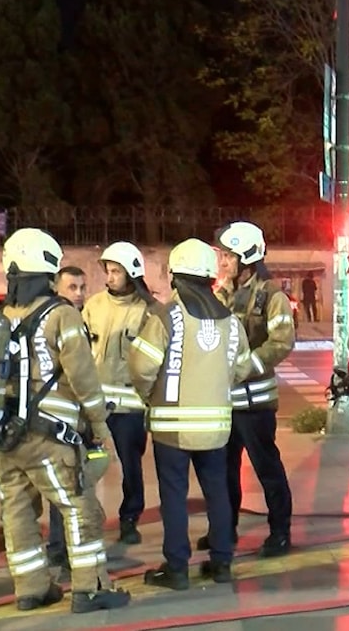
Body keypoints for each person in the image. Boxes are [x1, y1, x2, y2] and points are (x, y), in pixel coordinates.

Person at [0, 227, 129, 613]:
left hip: (3, 439)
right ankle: (90, 588)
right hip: (48, 438)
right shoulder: (60, 315)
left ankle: (31, 588)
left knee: (17, 511)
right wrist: (99, 426)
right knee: (81, 507)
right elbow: (83, 378)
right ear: (48, 270)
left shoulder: (0, 317)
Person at [129, 238, 252, 589]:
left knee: (174, 497)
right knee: (219, 493)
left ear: (173, 275)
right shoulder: (231, 321)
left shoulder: (166, 316)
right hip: (216, 428)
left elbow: (141, 367)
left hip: (172, 428)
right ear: (211, 277)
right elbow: (241, 368)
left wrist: (149, 396)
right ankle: (223, 563)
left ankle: (178, 568)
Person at [200, 221, 295, 558]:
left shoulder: (272, 296)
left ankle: (280, 532)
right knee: (223, 471)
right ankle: (224, 530)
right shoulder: (220, 292)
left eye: (227, 256)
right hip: (225, 402)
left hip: (255, 402)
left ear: (247, 257)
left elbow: (282, 342)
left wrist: (246, 367)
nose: (222, 262)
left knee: (267, 468)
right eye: (221, 255)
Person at [83, 241, 157, 546]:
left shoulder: (147, 312)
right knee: (89, 461)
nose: (110, 277)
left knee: (131, 467)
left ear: (132, 274)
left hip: (131, 406)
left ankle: (130, 519)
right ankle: (88, 516)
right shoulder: (94, 306)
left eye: (117, 271)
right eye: (108, 271)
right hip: (96, 404)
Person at [45, 264, 89, 573]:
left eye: (82, 287)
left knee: (66, 488)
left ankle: (61, 548)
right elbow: (80, 375)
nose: (79, 293)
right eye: (72, 287)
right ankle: (64, 551)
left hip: (63, 417)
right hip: (60, 419)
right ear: (56, 287)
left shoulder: (70, 317)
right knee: (68, 488)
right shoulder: (63, 319)